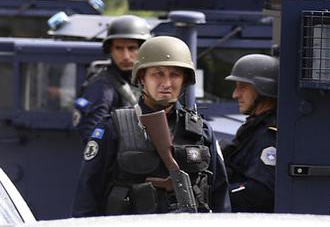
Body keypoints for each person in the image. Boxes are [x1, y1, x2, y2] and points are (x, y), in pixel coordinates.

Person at [72, 35, 231, 216]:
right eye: (158, 74)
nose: (166, 83)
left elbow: (220, 198)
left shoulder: (202, 132)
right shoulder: (113, 128)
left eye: (175, 75)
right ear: (142, 77)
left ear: (184, 80)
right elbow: (87, 196)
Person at [72, 14, 150, 141]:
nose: (125, 56)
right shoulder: (103, 86)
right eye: (119, 48)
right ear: (110, 50)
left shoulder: (149, 81)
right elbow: (92, 137)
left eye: (132, 48)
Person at [222, 53, 279, 212]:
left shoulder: (269, 136)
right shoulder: (254, 128)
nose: (235, 94)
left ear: (263, 89)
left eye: (243, 87)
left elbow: (259, 192)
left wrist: (215, 196)